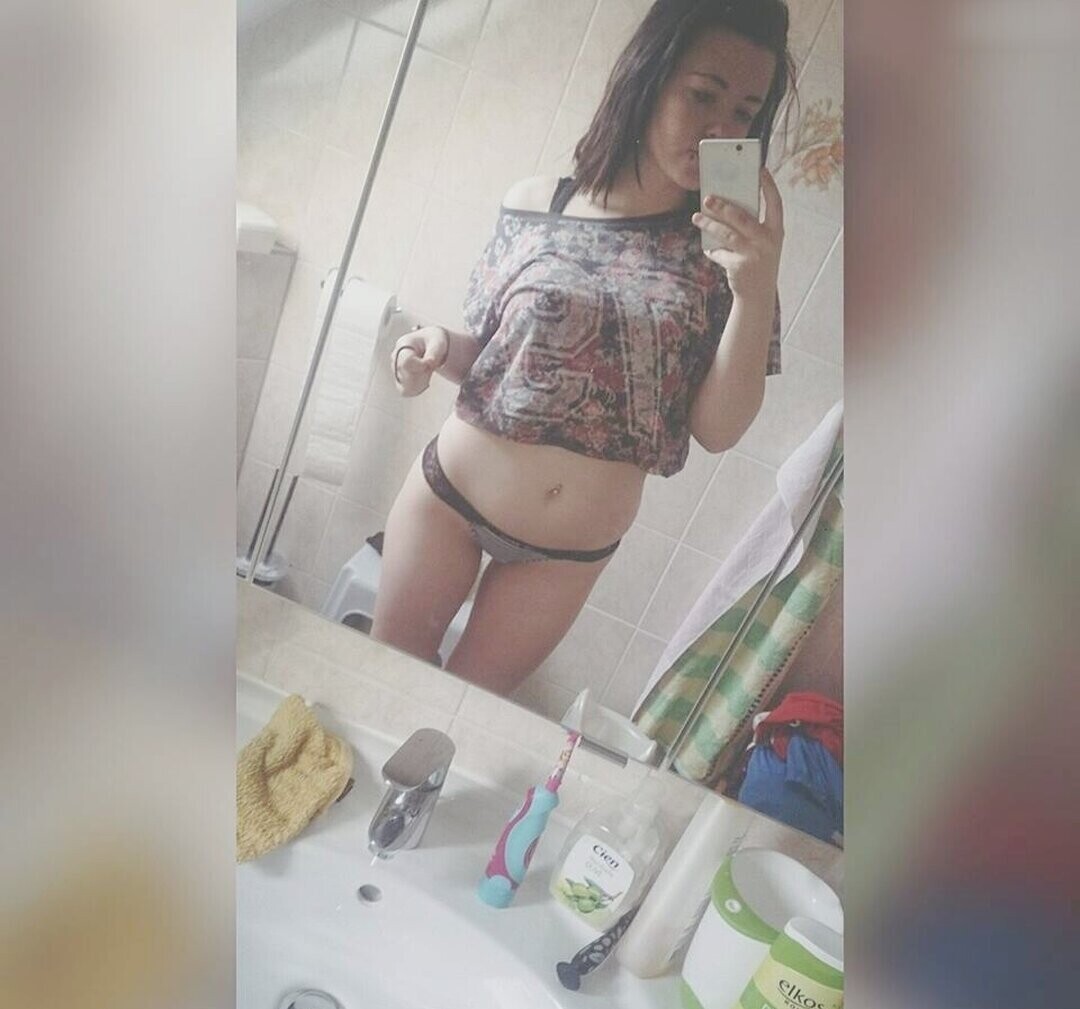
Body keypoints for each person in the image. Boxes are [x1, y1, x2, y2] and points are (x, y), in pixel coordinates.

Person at [372, 0, 794, 694]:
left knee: (455, 721)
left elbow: (717, 430)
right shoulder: (537, 203)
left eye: (744, 112)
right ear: (648, 78)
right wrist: (438, 345)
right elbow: (503, 361)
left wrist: (753, 290)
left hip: (564, 555)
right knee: (379, 685)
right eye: (702, 96)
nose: (722, 129)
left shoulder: (732, 256)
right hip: (449, 498)